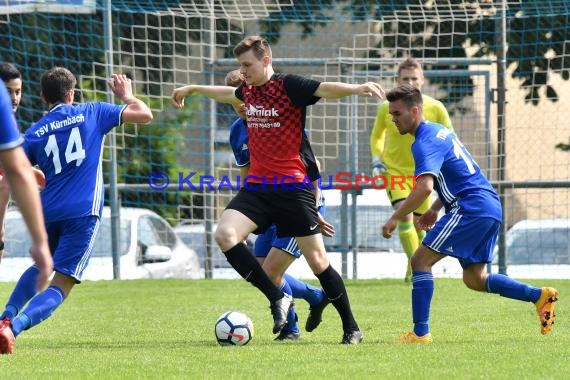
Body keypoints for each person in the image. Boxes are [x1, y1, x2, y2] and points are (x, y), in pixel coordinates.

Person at [172, 35, 384, 344]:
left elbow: (324, 88)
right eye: (240, 66)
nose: (243, 72)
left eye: (247, 65)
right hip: (258, 188)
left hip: (291, 188)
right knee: (225, 235)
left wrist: (357, 88)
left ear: (266, 60)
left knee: (318, 262)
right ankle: (278, 299)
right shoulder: (246, 92)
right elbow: (226, 93)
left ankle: (351, 326)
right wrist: (192, 88)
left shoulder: (288, 87)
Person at [381, 84, 559, 343]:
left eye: (397, 113)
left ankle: (420, 334)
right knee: (475, 279)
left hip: (471, 207)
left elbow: (424, 187)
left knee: (420, 261)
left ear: (415, 110)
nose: (393, 119)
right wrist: (434, 209)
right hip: (488, 206)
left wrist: (396, 217)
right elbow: (458, 177)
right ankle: (539, 296)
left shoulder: (424, 143)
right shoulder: (441, 132)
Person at [0, 67, 153, 354]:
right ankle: (13, 328)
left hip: (47, 213)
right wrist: (127, 95)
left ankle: (4, 317)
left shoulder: (35, 132)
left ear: (43, 95)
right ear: (72, 93)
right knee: (63, 281)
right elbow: (144, 114)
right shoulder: (93, 111)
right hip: (82, 214)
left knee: (38, 268)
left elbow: (9, 171)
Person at [225, 69, 330, 341]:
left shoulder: (282, 120)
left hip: (298, 201)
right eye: (235, 105)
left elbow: (313, 166)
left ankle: (295, 324)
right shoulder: (237, 132)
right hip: (264, 201)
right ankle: (314, 299)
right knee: (262, 272)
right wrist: (246, 214)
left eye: (244, 104)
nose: (241, 109)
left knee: (271, 271)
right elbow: (246, 175)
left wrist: (315, 207)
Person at [370, 58, 453, 283]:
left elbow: (449, 137)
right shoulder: (387, 109)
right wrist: (377, 160)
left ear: (422, 80)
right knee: (404, 215)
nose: (410, 82)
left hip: (423, 174)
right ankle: (418, 271)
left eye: (414, 78)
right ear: (398, 80)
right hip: (395, 172)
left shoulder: (436, 108)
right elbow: (376, 136)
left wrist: (443, 166)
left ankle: (414, 264)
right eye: (405, 78)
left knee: (420, 226)